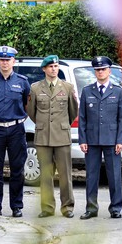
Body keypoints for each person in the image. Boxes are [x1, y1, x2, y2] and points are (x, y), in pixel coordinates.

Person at [26, 55, 79, 219]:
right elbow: (31, 111)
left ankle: (67, 207)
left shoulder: (67, 87)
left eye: (56, 66)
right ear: (44, 69)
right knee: (45, 175)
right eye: (50, 66)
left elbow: (73, 111)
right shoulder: (35, 88)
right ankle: (47, 207)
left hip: (62, 136)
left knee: (65, 174)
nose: (54, 69)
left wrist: (61, 125)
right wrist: (43, 124)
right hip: (43, 137)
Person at [0, 45, 30, 217]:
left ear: (13, 61)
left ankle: (16, 206)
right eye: (2, 60)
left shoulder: (22, 81)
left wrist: (15, 119)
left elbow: (27, 105)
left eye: (8, 60)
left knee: (17, 169)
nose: (5, 63)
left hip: (16, 130)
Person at [79, 56, 122, 220]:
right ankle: (91, 208)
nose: (100, 72)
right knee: (92, 176)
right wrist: (83, 140)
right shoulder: (87, 91)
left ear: (109, 71)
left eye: (103, 69)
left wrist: (120, 140)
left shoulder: (118, 91)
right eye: (97, 70)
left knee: (114, 176)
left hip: (112, 140)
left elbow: (121, 118)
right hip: (92, 139)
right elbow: (82, 118)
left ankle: (115, 208)